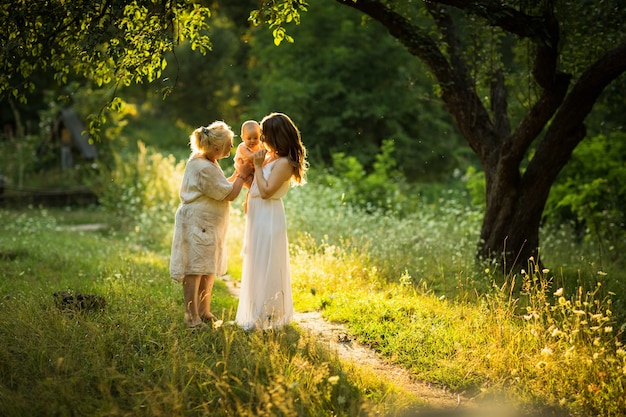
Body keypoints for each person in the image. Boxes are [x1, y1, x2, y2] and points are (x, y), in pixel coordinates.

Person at [170, 121, 253, 329]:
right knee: (194, 269)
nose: (232, 148)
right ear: (216, 148)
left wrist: (238, 173)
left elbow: (223, 186)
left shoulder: (207, 160)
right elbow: (231, 194)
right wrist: (241, 174)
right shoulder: (202, 166)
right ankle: (191, 317)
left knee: (207, 269)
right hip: (198, 225)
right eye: (229, 145)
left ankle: (204, 311)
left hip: (207, 225)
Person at [235, 112, 308, 331]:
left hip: (269, 216)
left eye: (265, 134)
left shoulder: (285, 163)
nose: (261, 139)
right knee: (255, 261)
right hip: (257, 214)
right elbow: (257, 186)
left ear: (276, 136)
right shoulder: (268, 156)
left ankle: (268, 315)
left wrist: (257, 167)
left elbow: (266, 192)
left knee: (267, 263)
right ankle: (253, 312)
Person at [234, 120, 261, 213]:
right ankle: (247, 203)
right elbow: (250, 156)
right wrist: (262, 153)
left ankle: (252, 203)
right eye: (249, 138)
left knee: (256, 185)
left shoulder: (260, 145)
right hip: (243, 169)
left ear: (260, 136)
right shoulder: (242, 147)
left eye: (255, 138)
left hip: (252, 168)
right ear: (243, 137)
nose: (252, 141)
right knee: (252, 186)